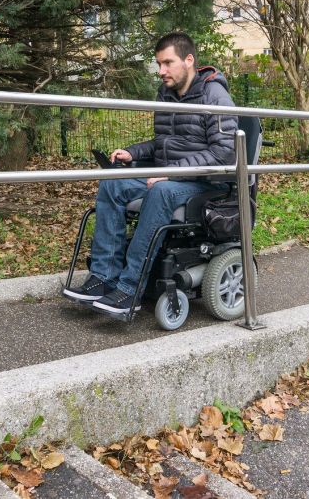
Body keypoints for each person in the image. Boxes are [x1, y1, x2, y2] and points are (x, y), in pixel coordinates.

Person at [62, 32, 238, 315]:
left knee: (160, 192)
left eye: (167, 63)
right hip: (169, 176)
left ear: (189, 60)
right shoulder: (166, 94)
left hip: (205, 182)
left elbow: (225, 153)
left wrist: (172, 173)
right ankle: (103, 277)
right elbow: (163, 144)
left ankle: (130, 289)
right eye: (159, 64)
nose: (161, 71)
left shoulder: (214, 95)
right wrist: (134, 152)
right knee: (113, 183)